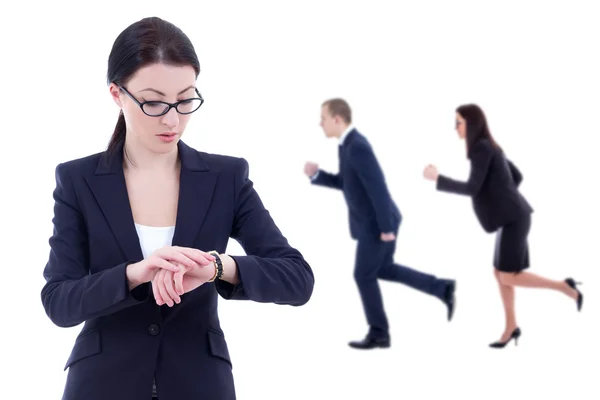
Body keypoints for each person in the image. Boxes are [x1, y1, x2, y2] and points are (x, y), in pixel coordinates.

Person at [40, 17, 314, 400]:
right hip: (101, 385)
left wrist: (218, 266)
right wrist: (133, 276)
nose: (173, 119)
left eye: (185, 100)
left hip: (199, 384)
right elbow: (59, 301)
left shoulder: (226, 177)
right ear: (117, 95)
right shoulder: (78, 180)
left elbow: (297, 279)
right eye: (153, 102)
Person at [423, 103, 583, 348]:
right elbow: (516, 177)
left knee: (508, 275)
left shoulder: (481, 148)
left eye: (458, 122)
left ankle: (564, 287)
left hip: (514, 219)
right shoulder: (489, 146)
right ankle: (511, 327)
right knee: (500, 273)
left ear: (471, 123)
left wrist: (438, 179)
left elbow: (472, 188)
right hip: (511, 218)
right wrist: (501, 198)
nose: (455, 127)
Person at [304, 98, 456, 350]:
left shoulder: (357, 146)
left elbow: (378, 187)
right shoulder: (346, 145)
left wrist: (385, 228)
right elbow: (346, 181)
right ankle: (443, 288)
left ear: (337, 119)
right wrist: (317, 175)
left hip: (376, 224)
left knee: (363, 275)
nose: (320, 123)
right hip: (375, 222)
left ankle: (379, 333)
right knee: (383, 270)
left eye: (323, 118)